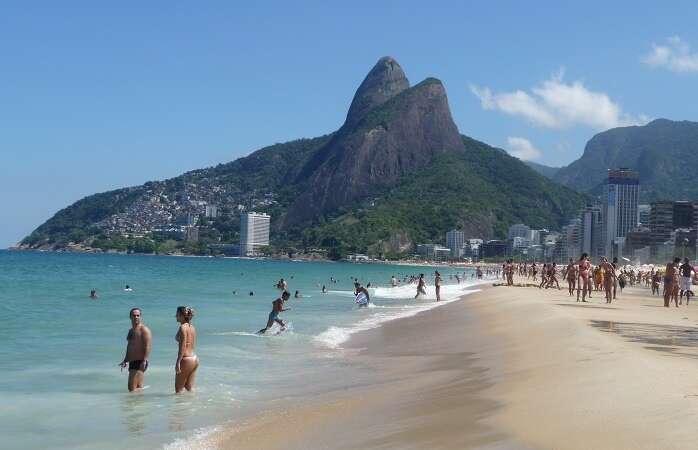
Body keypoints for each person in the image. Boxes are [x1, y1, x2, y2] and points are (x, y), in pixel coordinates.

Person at [119, 308, 152, 392]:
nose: (136, 317)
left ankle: (137, 404)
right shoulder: (131, 331)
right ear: (130, 317)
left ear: (141, 317)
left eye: (138, 315)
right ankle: (138, 404)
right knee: (135, 388)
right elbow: (130, 346)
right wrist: (126, 360)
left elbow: (148, 346)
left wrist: (144, 361)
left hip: (140, 362)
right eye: (134, 315)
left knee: (132, 389)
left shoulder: (144, 330)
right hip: (132, 362)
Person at [174, 306, 198, 394]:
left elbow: (183, 346)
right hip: (194, 359)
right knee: (189, 388)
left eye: (177, 314)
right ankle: (192, 406)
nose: (175, 316)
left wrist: (178, 362)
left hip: (186, 359)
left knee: (178, 390)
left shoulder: (182, 328)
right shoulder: (192, 327)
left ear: (181, 315)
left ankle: (180, 408)